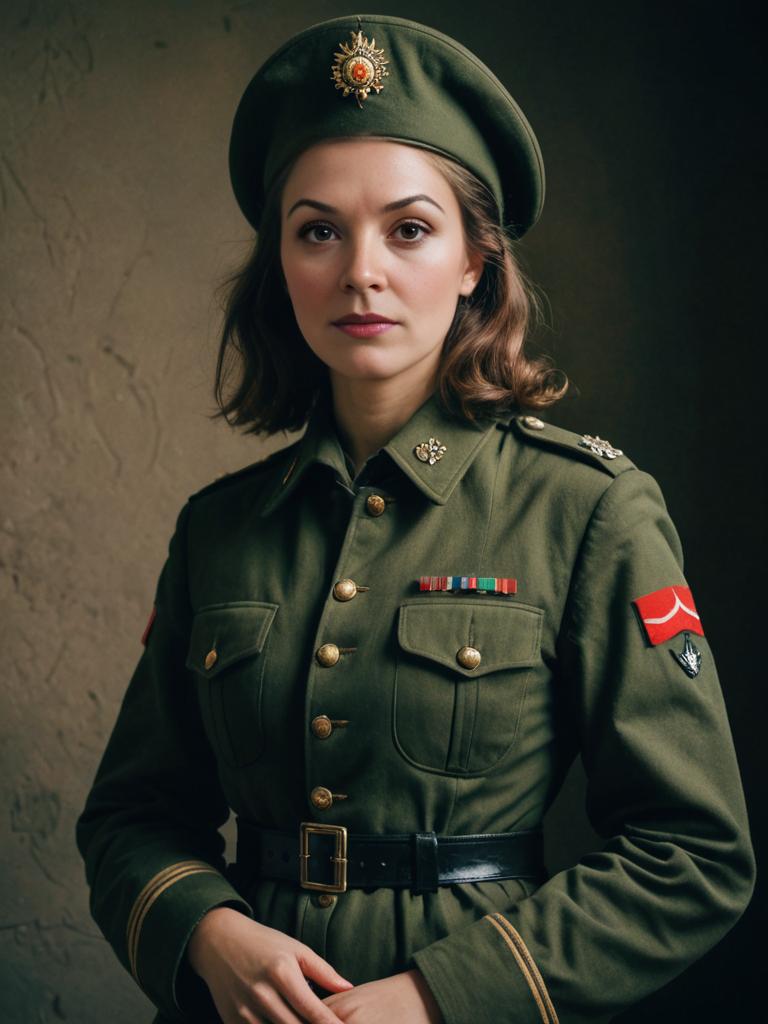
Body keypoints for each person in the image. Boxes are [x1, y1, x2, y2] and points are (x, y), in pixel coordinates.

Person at [76, 13, 755, 1024]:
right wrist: (206, 932)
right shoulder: (219, 529)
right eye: (318, 230)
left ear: (476, 259)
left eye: (408, 228)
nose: (361, 271)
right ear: (283, 264)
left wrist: (442, 997)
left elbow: (693, 854)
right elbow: (131, 817)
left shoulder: (588, 509)